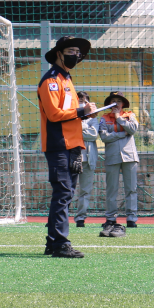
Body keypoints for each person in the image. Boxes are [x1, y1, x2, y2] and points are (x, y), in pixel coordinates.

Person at [37, 36, 93, 258]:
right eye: (71, 51)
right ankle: (60, 243)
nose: (76, 55)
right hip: (58, 145)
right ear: (59, 54)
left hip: (72, 145)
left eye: (78, 52)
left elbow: (68, 114)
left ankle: (53, 242)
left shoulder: (66, 79)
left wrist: (84, 113)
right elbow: (53, 115)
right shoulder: (51, 80)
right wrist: (81, 111)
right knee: (62, 194)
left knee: (66, 194)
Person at [98, 91, 139, 237]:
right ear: (110, 104)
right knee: (111, 189)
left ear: (123, 104)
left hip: (129, 156)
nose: (116, 103)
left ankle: (131, 218)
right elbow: (104, 137)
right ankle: (110, 218)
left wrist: (119, 119)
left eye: (119, 101)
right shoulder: (103, 118)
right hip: (112, 157)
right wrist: (122, 134)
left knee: (131, 189)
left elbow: (133, 129)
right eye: (113, 101)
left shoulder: (130, 115)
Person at [73, 90, 99, 228]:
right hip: (73, 156)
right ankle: (59, 216)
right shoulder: (71, 115)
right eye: (80, 101)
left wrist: (79, 126)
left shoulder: (93, 118)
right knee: (67, 189)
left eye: (84, 101)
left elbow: (93, 134)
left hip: (88, 158)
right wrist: (83, 126)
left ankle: (80, 218)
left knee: (85, 190)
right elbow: (69, 131)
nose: (82, 103)